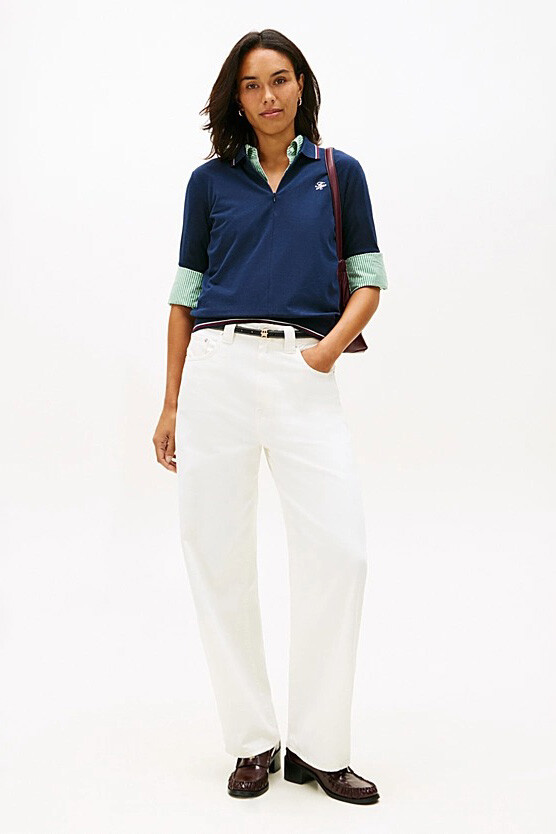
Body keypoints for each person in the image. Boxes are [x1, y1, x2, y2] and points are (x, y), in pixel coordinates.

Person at [152, 29, 388, 805]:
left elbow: (368, 281)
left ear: (301, 86)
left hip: (302, 372)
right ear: (237, 98)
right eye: (252, 85)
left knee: (341, 553)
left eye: (280, 80)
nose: (268, 96)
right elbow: (185, 297)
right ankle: (252, 741)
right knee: (215, 552)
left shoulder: (339, 173)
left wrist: (324, 354)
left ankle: (320, 748)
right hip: (217, 373)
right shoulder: (208, 183)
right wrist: (172, 402)